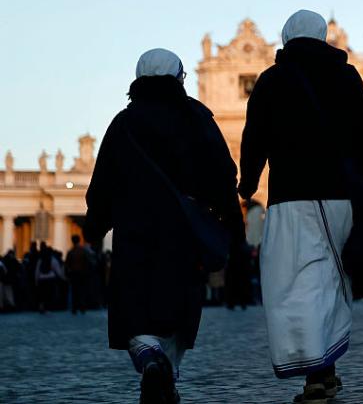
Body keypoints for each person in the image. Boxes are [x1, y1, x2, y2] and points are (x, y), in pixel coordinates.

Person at [84, 48, 244, 404]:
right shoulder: (198, 118)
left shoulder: (124, 122)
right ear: (180, 78)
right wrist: (231, 221)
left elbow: (103, 183)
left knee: (134, 305)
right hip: (184, 231)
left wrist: (95, 226)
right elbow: (223, 174)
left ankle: (150, 359)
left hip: (135, 227)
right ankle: (166, 370)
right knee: (177, 307)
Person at [239, 9, 363, 402]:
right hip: (340, 198)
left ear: (286, 38)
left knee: (293, 284)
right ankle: (326, 369)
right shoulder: (348, 76)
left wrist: (248, 184)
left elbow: (255, 139)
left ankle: (315, 371)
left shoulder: (271, 80)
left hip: (291, 199)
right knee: (331, 281)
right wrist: (360, 174)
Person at [65, 234, 92, 314]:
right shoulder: (83, 251)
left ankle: (75, 308)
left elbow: (67, 264)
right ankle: (82, 307)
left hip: (74, 274)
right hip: (82, 273)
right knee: (82, 291)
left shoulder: (71, 252)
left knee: (74, 291)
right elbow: (87, 262)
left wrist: (67, 274)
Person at [34, 243, 64, 313]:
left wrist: (36, 281)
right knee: (49, 294)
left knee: (42, 294)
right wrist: (62, 278)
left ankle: (41, 306)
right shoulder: (53, 260)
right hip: (50, 279)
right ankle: (47, 308)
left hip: (41, 279)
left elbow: (37, 271)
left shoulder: (41, 260)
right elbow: (57, 270)